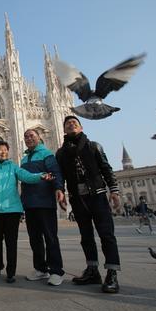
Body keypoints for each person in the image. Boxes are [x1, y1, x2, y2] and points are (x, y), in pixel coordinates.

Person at [56, 115, 121, 294]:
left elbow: (106, 168)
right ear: (64, 129)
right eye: (68, 124)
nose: (71, 125)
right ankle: (92, 270)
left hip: (98, 195)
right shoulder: (61, 153)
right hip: (78, 198)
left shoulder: (94, 146)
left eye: (74, 123)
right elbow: (60, 174)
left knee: (106, 235)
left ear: (81, 127)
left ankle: (112, 273)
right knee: (86, 236)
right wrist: (60, 190)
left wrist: (114, 190)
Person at [0, 140, 52, 283]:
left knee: (11, 242)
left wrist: (40, 175)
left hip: (13, 210)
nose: (3, 152)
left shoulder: (14, 168)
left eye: (5, 149)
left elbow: (27, 176)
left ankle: (11, 272)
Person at [20, 128, 66, 286]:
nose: (28, 138)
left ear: (39, 138)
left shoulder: (46, 154)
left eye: (31, 136)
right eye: (26, 137)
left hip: (45, 201)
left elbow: (55, 172)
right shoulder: (25, 159)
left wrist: (59, 189)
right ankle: (41, 269)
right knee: (35, 239)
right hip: (30, 202)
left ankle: (56, 271)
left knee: (50, 237)